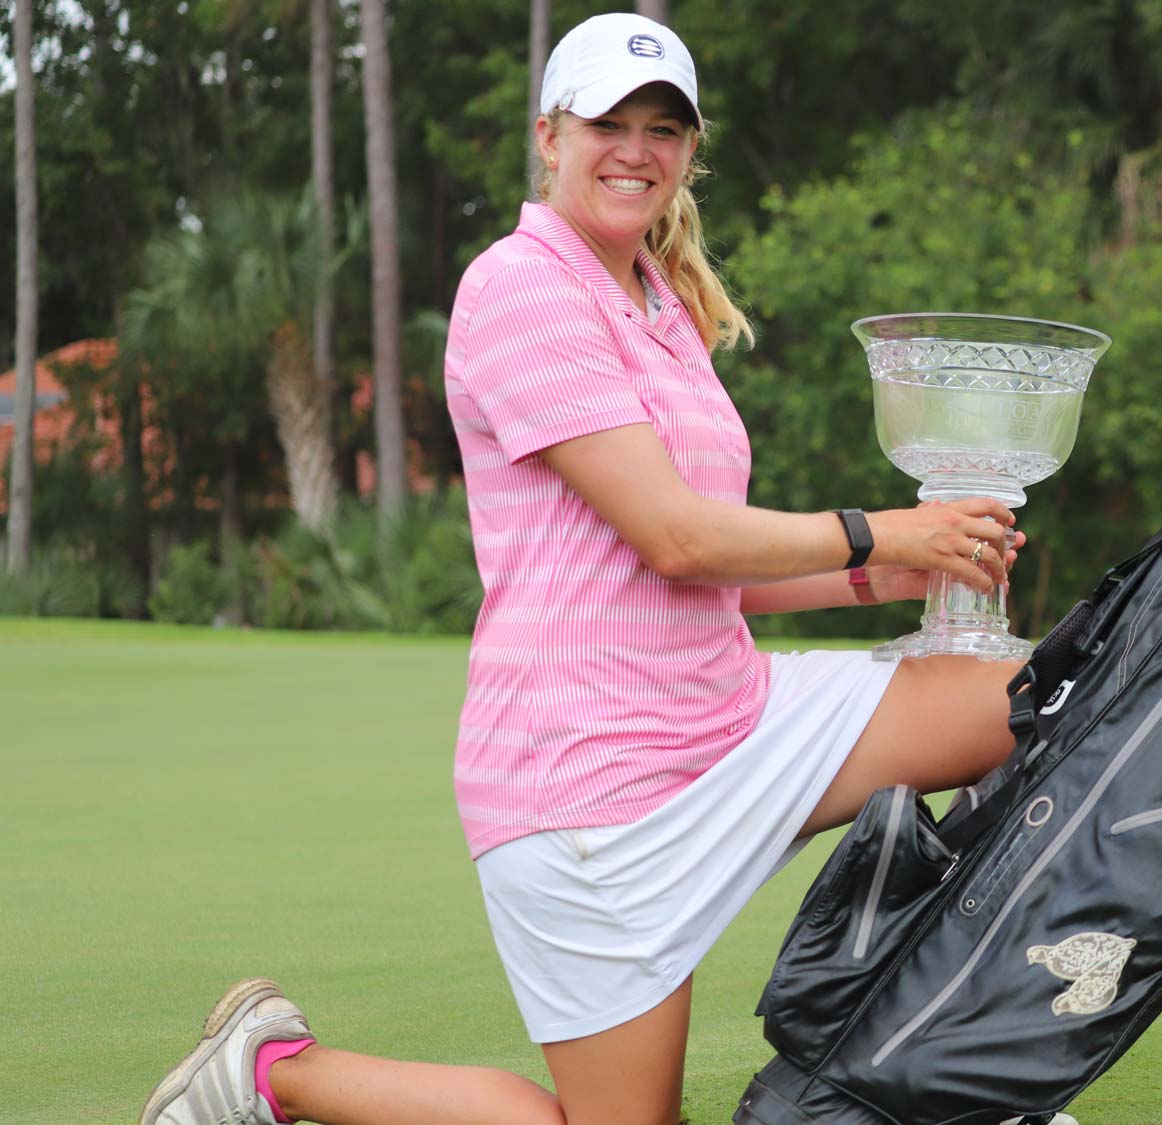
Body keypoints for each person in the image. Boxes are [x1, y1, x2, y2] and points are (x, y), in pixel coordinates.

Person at [141, 14, 1073, 1125]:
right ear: (549, 135)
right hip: (589, 791)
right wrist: (881, 533)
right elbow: (674, 537)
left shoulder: (658, 297)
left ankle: (972, 1071)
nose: (635, 148)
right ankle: (270, 1074)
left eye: (662, 128)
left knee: (1034, 704)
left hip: (735, 721)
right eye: (608, 123)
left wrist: (918, 564)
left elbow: (713, 569)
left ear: (689, 150)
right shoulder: (520, 290)